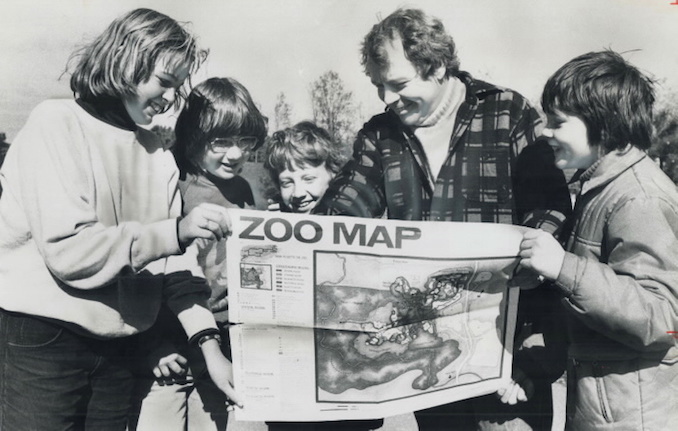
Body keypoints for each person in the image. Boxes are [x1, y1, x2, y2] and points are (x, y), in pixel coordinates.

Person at [313, 7, 573, 431]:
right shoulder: (380, 134)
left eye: (398, 85)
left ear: (435, 66)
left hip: (509, 347)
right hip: (431, 352)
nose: (387, 99)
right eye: (378, 86)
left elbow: (550, 204)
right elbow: (341, 211)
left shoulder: (506, 112)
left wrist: (533, 260)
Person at [0, 9, 240, 431]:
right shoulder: (54, 123)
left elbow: (174, 268)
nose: (169, 97)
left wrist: (209, 346)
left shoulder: (157, 154)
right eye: (164, 82)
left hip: (121, 349)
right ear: (126, 64)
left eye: (177, 86)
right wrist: (175, 232)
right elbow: (70, 253)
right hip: (46, 342)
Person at [518, 50, 678, 431]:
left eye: (557, 123)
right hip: (608, 410)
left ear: (603, 126)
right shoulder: (598, 187)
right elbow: (588, 320)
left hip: (633, 418)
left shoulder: (639, 198)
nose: (545, 132)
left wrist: (563, 267)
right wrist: (534, 368)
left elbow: (662, 317)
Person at [130, 77, 267, 431]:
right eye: (221, 141)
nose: (235, 154)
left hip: (225, 348)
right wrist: (151, 345)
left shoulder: (251, 188)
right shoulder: (168, 181)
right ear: (193, 134)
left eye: (244, 141)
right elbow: (144, 270)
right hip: (168, 349)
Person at [263, 121, 384, 431]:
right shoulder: (267, 233)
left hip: (349, 385)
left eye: (308, 178)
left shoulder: (363, 227)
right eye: (287, 181)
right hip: (292, 389)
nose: (298, 192)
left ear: (333, 174)